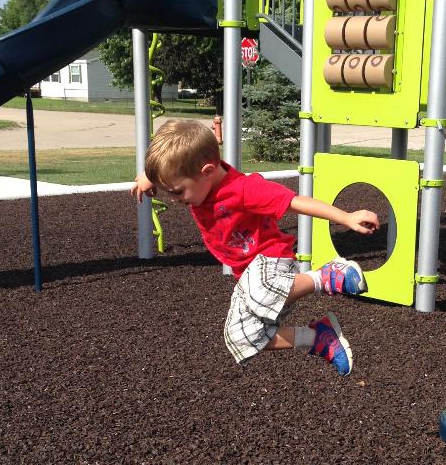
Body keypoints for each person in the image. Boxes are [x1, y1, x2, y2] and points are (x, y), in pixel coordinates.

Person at [131, 118, 379, 375]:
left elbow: (295, 202)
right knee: (240, 337)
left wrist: (346, 217)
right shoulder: (197, 178)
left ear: (207, 171)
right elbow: (173, 169)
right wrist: (150, 178)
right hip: (250, 276)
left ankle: (328, 276)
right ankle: (318, 337)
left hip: (272, 260)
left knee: (258, 290)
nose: (174, 199)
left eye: (177, 191)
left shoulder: (245, 190)